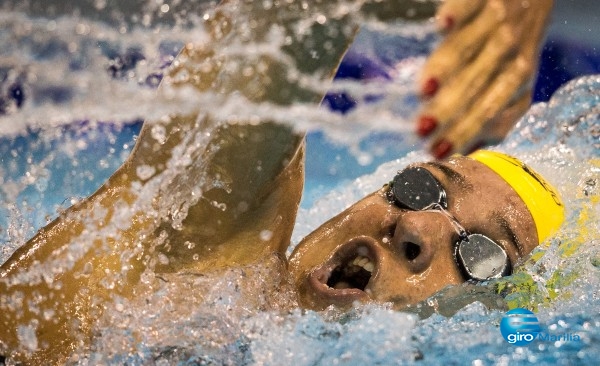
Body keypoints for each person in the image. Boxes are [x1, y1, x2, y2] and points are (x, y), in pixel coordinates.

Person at [0, 0, 555, 363]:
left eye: (479, 254)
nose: (414, 224)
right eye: (421, 186)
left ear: (492, 324)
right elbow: (295, 14)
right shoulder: (211, 245)